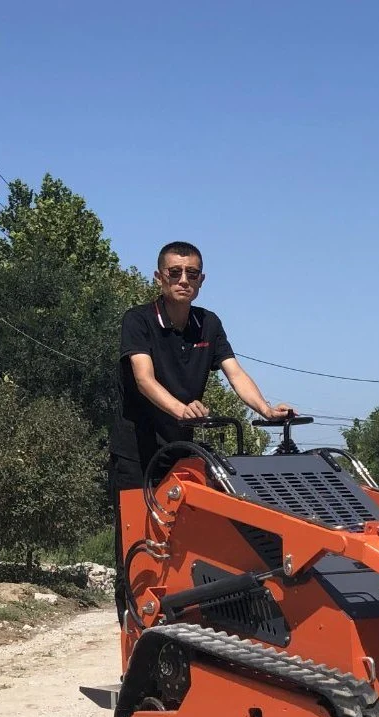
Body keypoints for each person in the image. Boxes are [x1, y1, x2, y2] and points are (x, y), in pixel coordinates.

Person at [108, 240, 292, 622]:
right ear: (159, 277)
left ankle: (175, 626)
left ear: (201, 280)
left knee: (183, 539)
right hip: (137, 450)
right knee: (134, 541)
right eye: (174, 272)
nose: (183, 279)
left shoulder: (208, 323)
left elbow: (235, 372)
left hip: (180, 448)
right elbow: (143, 379)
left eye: (191, 273)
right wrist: (181, 408)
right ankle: (131, 627)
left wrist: (266, 409)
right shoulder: (138, 321)